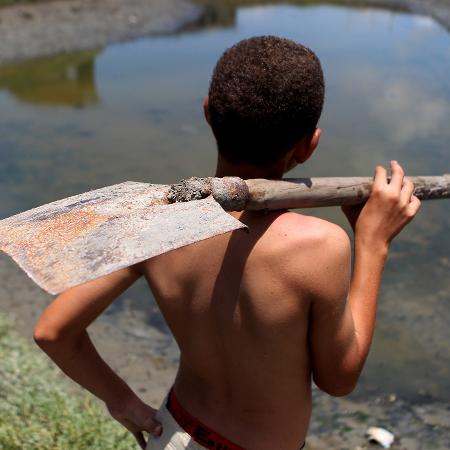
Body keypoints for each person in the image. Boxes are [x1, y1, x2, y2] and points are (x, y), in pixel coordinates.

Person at [33, 36, 421, 450]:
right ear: (309, 145)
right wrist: (373, 243)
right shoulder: (320, 247)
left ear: (207, 114)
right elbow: (339, 379)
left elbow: (54, 331)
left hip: (176, 432)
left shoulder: (158, 223)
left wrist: (122, 401)